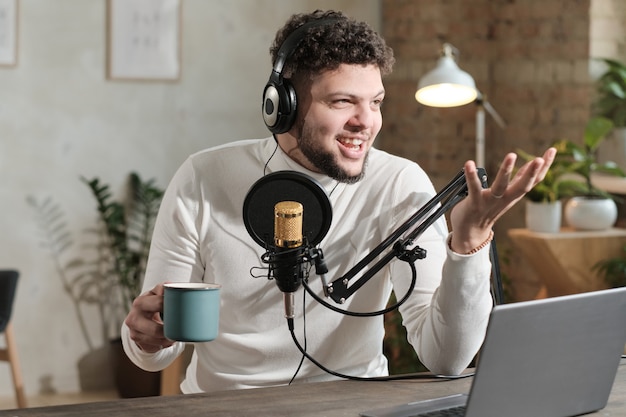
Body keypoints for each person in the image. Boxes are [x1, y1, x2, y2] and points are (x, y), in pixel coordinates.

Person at [122, 9, 555, 394]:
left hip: (351, 406)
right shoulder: (204, 177)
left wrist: (469, 244)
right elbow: (152, 353)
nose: (365, 122)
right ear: (283, 106)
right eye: (343, 101)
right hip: (226, 406)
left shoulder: (399, 183)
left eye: (376, 102)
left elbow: (446, 358)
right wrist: (146, 337)